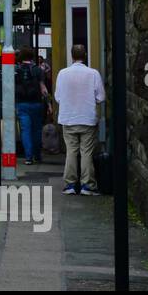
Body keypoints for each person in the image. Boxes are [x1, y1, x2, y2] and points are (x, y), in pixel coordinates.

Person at [54, 45, 106, 195]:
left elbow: (58, 97)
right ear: (85, 55)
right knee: (86, 152)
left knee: (71, 151)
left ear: (72, 56)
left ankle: (70, 184)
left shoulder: (63, 73)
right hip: (87, 118)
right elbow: (101, 97)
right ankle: (87, 185)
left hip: (68, 118)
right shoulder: (93, 73)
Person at [14, 47, 51, 166]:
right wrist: (49, 104)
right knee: (37, 130)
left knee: (25, 131)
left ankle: (28, 157)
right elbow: (43, 88)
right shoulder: (38, 70)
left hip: (22, 104)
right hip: (36, 103)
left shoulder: (16, 70)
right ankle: (37, 155)